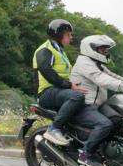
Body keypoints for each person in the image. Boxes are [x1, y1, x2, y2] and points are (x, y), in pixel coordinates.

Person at [70, 35, 123, 166]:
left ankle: (106, 154)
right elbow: (100, 79)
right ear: (91, 49)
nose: (105, 52)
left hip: (96, 106)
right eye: (102, 49)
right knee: (104, 124)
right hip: (83, 106)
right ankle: (85, 154)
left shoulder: (97, 64)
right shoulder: (84, 63)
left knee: (120, 120)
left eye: (106, 49)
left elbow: (113, 76)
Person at [32, 19, 87, 147]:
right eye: (68, 34)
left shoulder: (60, 51)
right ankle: (53, 128)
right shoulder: (45, 50)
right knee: (77, 96)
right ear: (58, 34)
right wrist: (69, 85)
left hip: (59, 91)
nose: (71, 37)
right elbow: (46, 71)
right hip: (46, 92)